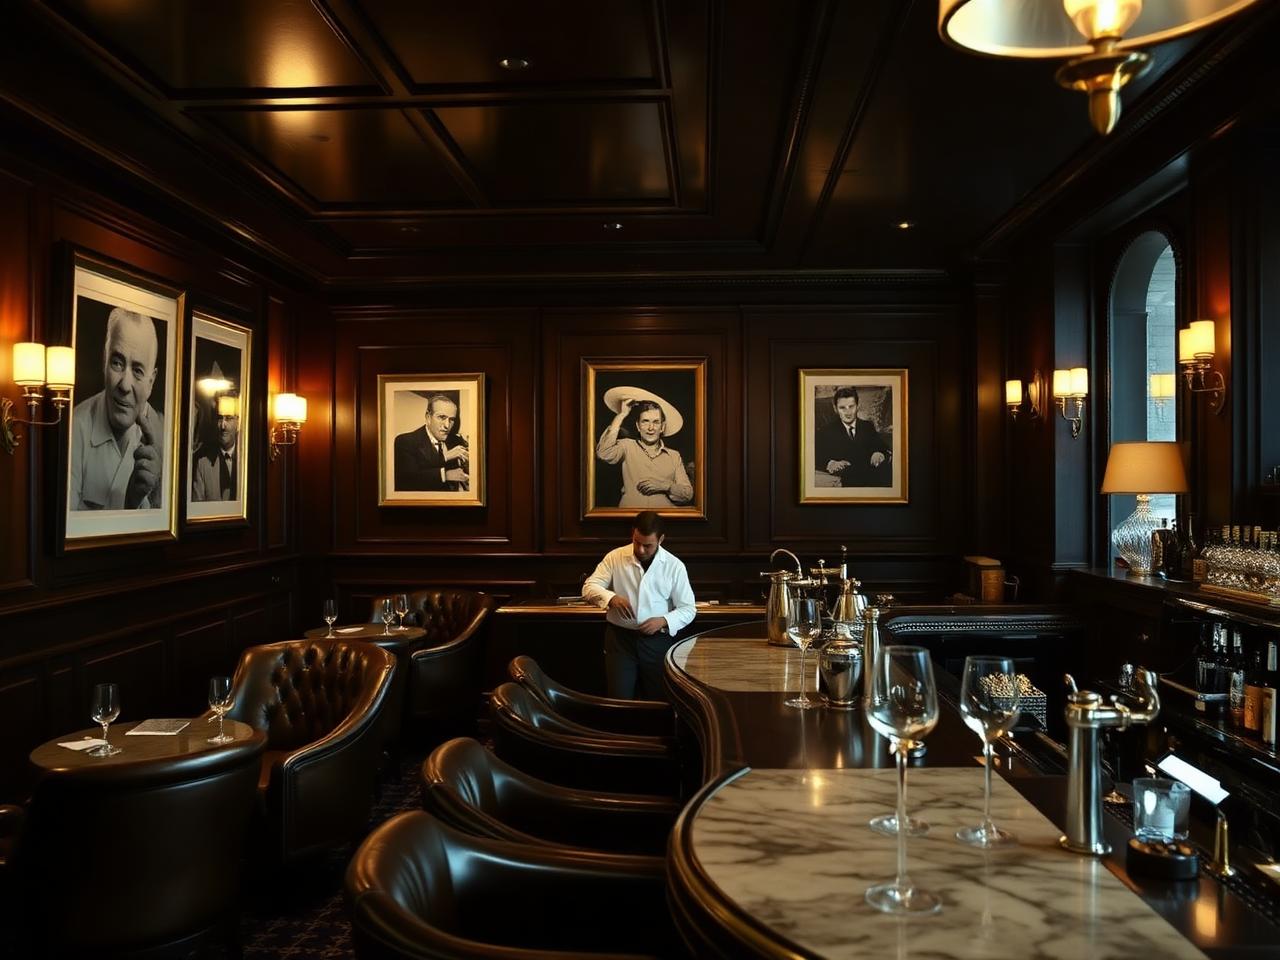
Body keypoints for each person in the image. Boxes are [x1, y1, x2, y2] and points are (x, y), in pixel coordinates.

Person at [582, 511, 697, 701]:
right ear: (632, 534)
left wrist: (663, 620)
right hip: (620, 640)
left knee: (658, 699)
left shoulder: (674, 566)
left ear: (661, 539)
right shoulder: (615, 557)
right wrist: (611, 598)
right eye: (637, 542)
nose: (641, 550)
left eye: (648, 545)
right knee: (619, 699)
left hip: (658, 641)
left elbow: (688, 608)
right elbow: (589, 586)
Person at [69, 307, 164, 510]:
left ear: (151, 381)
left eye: (138, 370)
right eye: (117, 363)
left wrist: (152, 493)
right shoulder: (75, 428)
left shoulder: (163, 434)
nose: (124, 385)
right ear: (104, 360)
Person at [596, 392, 693, 508]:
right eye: (645, 421)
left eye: (656, 422)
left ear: (662, 427)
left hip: (663, 519)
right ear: (638, 426)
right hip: (629, 517)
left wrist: (665, 486)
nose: (650, 428)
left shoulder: (674, 455)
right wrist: (621, 415)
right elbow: (603, 453)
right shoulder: (627, 446)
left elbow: (688, 494)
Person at [814, 385, 891, 487]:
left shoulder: (867, 426)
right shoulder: (825, 431)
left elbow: (882, 446)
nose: (848, 412)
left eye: (851, 406)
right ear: (835, 408)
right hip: (846, 482)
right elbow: (815, 455)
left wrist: (878, 453)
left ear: (858, 406)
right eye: (842, 408)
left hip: (872, 479)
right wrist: (830, 463)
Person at [393, 393, 469, 491]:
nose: (447, 425)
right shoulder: (405, 442)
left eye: (451, 419)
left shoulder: (456, 440)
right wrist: (445, 471)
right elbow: (408, 481)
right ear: (428, 417)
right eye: (442, 417)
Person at [191, 393, 239, 502]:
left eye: (229, 418)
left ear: (238, 423)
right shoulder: (202, 464)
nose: (223, 425)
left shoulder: (247, 463)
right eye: (220, 418)